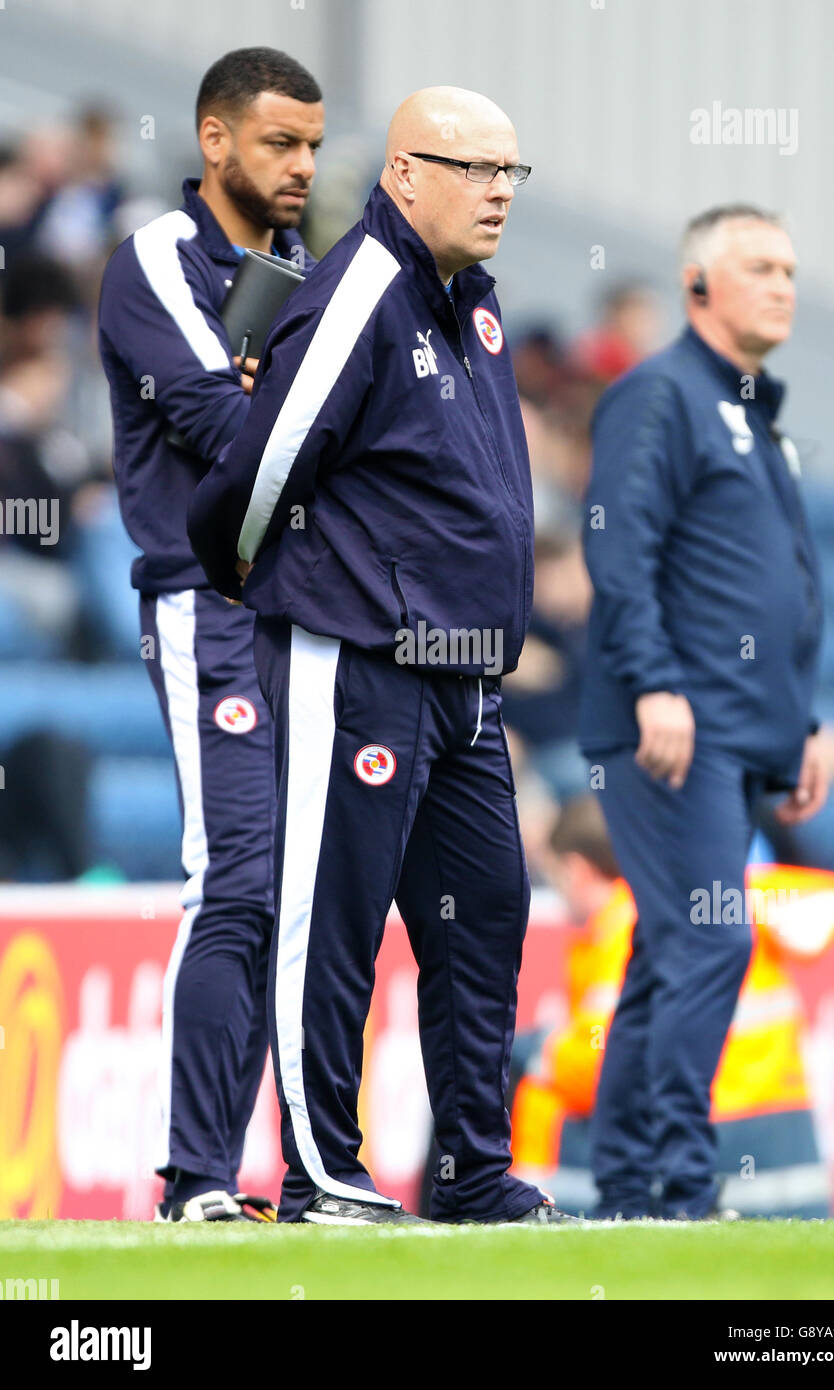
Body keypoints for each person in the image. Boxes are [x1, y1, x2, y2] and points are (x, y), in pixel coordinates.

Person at [189, 86, 574, 1226]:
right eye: (475, 169)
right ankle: (319, 1174)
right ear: (403, 174)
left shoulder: (477, 305)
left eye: (512, 172)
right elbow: (263, 468)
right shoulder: (358, 289)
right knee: (334, 922)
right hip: (357, 658)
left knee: (484, 916)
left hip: (465, 681)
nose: (500, 192)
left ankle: (466, 1168)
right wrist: (251, 578)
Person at [97, 47, 323, 1223]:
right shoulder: (152, 258)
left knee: (304, 894)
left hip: (310, 611)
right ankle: (196, 1175)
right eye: (281, 142)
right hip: (207, 598)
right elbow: (216, 421)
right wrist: (295, 416)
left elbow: (295, 422)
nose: (301, 166)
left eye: (314, 147)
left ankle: (311, 1173)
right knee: (234, 878)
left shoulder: (297, 267)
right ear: (215, 140)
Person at [579, 204, 828, 1220]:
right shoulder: (659, 392)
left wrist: (797, 723)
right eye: (759, 266)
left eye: (789, 269)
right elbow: (617, 544)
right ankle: (682, 1186)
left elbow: (771, 584)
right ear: (696, 288)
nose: (782, 285)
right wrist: (652, 683)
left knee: (667, 952)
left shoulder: (744, 408)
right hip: (673, 723)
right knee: (710, 939)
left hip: (734, 727)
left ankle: (630, 1182)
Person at [510, 796, 834, 1219]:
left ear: (577, 870)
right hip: (787, 1147)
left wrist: (541, 1054)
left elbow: (596, 1066)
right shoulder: (720, 899)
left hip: (705, 1142)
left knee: (522, 1074)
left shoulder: (625, 925)